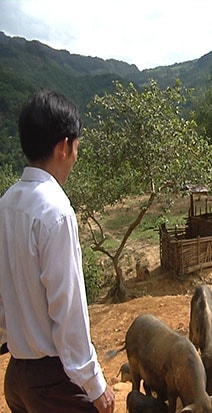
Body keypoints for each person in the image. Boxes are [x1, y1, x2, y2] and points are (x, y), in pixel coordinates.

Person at [0, 90, 115, 412]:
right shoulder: (56, 212)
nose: (76, 156)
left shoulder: (6, 204)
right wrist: (95, 385)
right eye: (77, 146)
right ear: (64, 146)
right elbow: (67, 309)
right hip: (54, 381)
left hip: (17, 376)